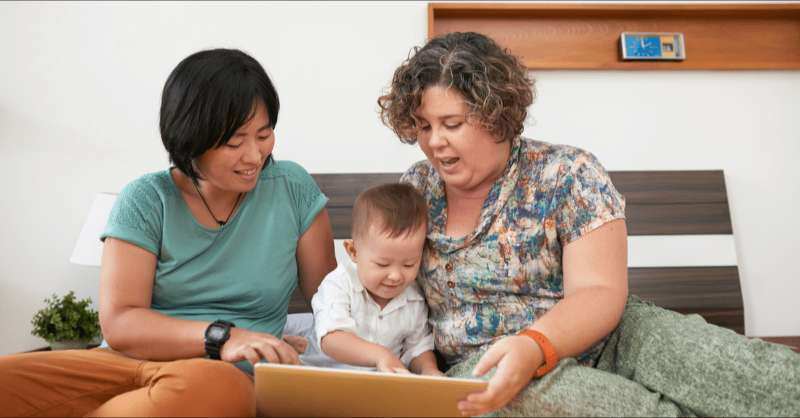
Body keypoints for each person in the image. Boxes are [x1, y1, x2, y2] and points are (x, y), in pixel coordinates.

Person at [378, 31, 800, 417]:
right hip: (491, 364)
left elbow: (599, 291)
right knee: (548, 399)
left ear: (496, 116)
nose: (434, 141)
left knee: (754, 376)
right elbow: (380, 285)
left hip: (612, 336)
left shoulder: (568, 173)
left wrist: (535, 344)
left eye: (451, 124)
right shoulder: (417, 187)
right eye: (424, 126)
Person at [0, 48, 336, 417]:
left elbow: (336, 301)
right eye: (235, 142)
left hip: (213, 377)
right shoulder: (145, 198)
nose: (255, 156)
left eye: (264, 134)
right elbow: (121, 322)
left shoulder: (292, 189)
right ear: (190, 137)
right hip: (123, 365)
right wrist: (224, 336)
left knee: (218, 389)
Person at [311, 183, 442, 376]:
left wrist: (429, 370)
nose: (396, 276)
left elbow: (418, 348)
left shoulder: (413, 298)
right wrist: (380, 356)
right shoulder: (339, 284)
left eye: (409, 264)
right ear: (353, 251)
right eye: (382, 264)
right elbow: (332, 338)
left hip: (380, 385)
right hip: (328, 376)